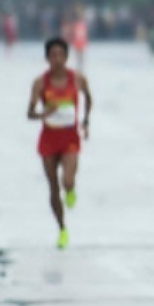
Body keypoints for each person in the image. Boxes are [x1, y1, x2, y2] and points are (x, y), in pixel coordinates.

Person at [27, 37, 93, 249]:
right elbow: (29, 113)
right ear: (47, 58)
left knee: (67, 180)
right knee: (53, 188)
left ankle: (71, 188)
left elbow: (89, 99)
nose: (57, 59)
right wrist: (43, 113)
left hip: (70, 138)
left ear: (66, 57)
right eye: (52, 55)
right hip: (48, 140)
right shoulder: (40, 83)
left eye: (60, 55)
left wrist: (85, 121)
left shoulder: (78, 79)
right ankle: (62, 229)